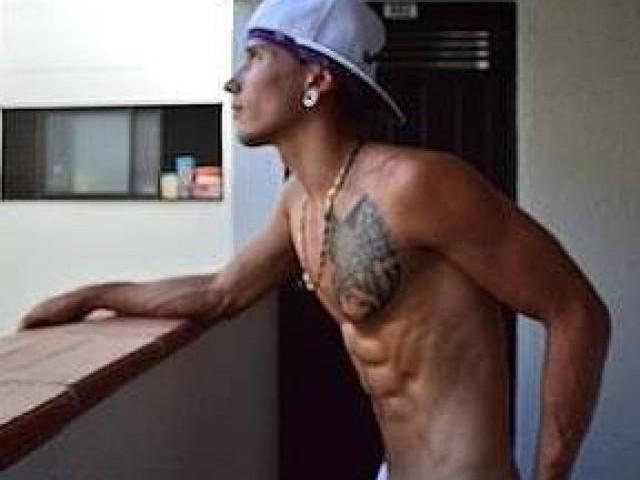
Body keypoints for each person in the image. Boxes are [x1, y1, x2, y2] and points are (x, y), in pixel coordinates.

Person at [21, 1, 610, 479]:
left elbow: (577, 310)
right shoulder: (299, 200)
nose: (232, 80)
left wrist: (550, 475)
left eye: (254, 57)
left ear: (316, 78)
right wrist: (91, 296)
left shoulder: (417, 184)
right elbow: (221, 292)